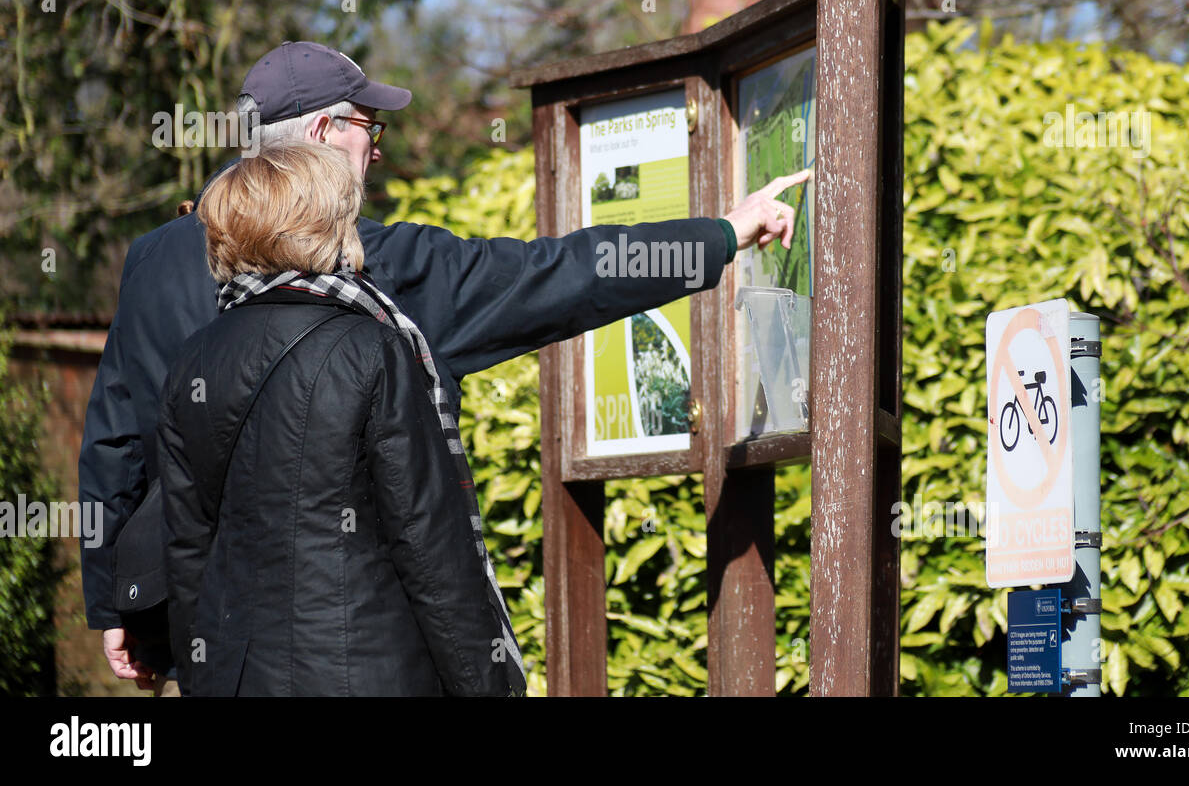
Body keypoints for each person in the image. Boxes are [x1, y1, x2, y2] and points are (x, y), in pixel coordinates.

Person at [77, 40, 808, 695]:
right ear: (326, 134)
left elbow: (115, 439)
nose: (379, 150)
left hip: (212, 649)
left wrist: (115, 603)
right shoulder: (370, 269)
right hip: (359, 649)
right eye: (370, 126)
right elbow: (553, 277)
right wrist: (719, 234)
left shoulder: (152, 260)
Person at [160, 140, 526, 695]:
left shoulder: (193, 359)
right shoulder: (372, 346)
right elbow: (428, 542)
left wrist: (198, 676)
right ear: (326, 225)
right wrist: (489, 683)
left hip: (234, 675)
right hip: (367, 670)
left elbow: (188, 549)